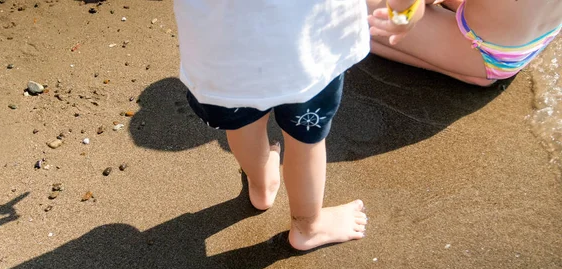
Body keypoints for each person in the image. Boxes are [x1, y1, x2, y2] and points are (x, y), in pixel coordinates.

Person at [169, 0, 422, 252]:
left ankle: (261, 187)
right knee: (305, 140)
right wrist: (404, 12)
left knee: (242, 125)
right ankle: (307, 227)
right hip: (307, 53)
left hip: (223, 58)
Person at [367, 0, 562, 86]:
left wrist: (404, 17)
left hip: (480, 50)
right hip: (534, 39)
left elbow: (408, 7)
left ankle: (472, 69)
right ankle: (473, 71)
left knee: (347, 7)